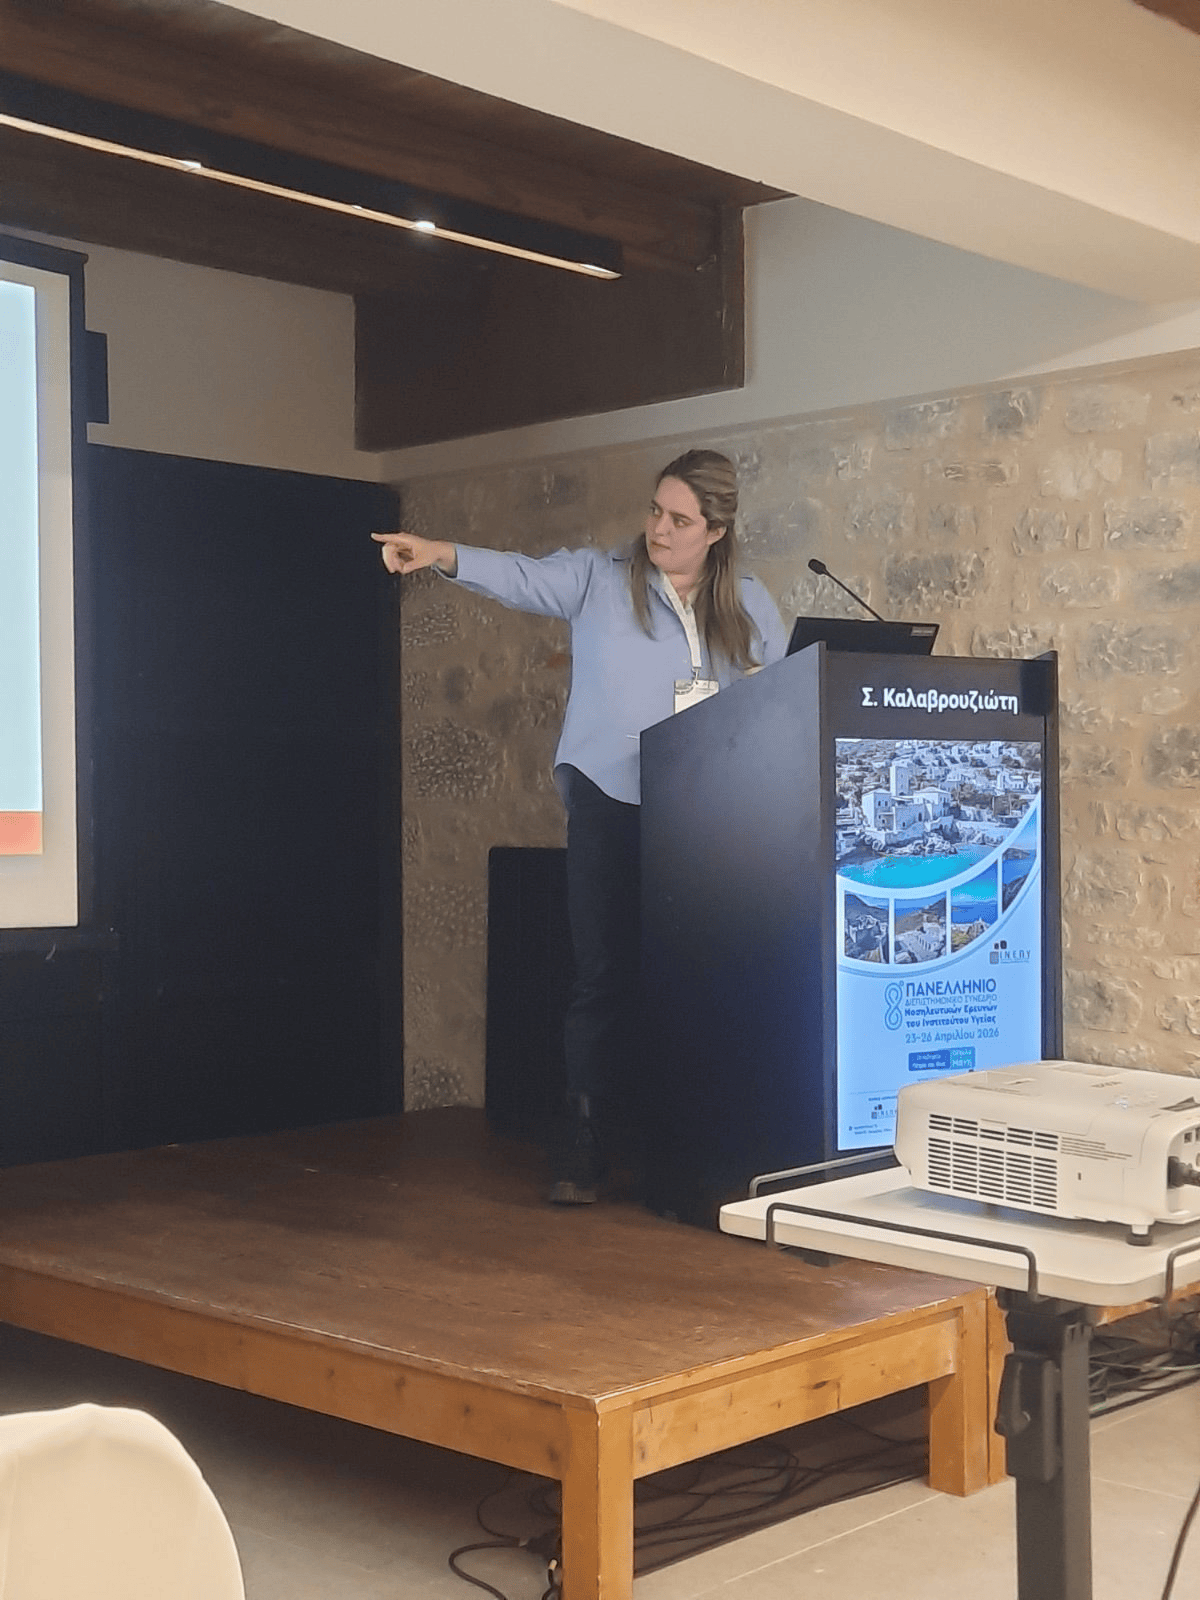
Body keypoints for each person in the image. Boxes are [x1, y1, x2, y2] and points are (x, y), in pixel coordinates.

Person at [374, 449, 788, 1204]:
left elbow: (776, 700)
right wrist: (438, 553)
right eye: (656, 511)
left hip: (708, 817)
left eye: (680, 520)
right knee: (603, 972)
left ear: (717, 531)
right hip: (610, 797)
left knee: (701, 973)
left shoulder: (750, 603)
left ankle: (691, 1139)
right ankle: (584, 1139)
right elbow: (521, 577)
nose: (659, 529)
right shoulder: (601, 578)